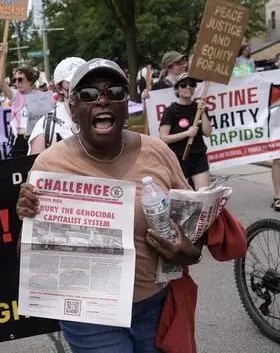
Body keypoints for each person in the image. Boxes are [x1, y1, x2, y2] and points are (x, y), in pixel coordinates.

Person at [16, 58, 204, 352]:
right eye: (89, 95)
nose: (102, 100)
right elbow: (27, 257)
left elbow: (194, 235)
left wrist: (189, 253)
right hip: (89, 319)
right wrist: (29, 219)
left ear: (125, 105)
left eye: (114, 92)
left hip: (156, 309)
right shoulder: (50, 164)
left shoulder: (158, 153)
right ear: (73, 109)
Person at [158, 73, 212, 190]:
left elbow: (208, 132)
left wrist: (203, 113)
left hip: (198, 157)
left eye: (191, 84)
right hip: (177, 159)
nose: (188, 87)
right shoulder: (171, 111)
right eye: (183, 85)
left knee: (204, 194)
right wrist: (186, 134)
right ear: (177, 88)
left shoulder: (199, 108)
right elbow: (163, 138)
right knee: (185, 199)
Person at [28, 57, 86, 155]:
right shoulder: (45, 127)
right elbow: (35, 167)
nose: (81, 85)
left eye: (85, 79)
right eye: (74, 81)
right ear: (59, 88)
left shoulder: (107, 118)